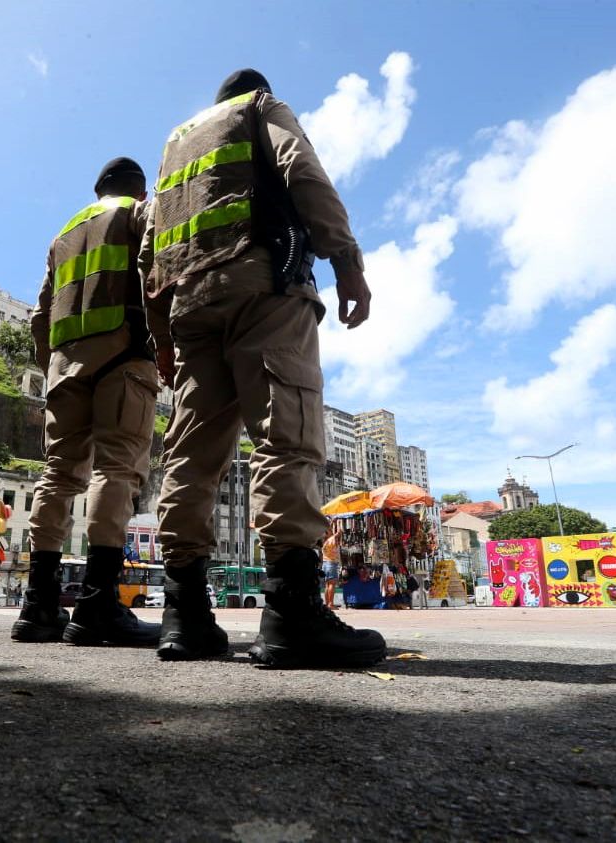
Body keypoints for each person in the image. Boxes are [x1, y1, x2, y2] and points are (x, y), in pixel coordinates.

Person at [142, 69, 385, 668]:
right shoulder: (261, 108)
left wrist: (161, 335)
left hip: (189, 305)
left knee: (191, 454)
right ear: (252, 91)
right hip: (262, 285)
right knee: (287, 434)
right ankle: (291, 614)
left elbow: (150, 247)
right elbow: (303, 171)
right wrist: (346, 259)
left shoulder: (177, 145)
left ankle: (184, 616)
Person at [12, 157, 161, 648]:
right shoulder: (140, 215)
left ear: (98, 188)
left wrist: (54, 362)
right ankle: (98, 605)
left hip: (63, 365)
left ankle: (38, 607)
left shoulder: (64, 234)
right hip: (123, 354)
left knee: (58, 473)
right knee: (116, 469)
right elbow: (157, 277)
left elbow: (40, 312)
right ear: (140, 190)